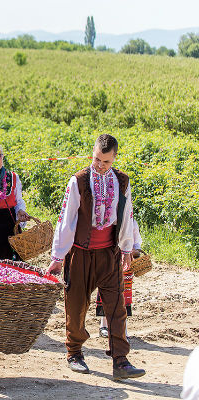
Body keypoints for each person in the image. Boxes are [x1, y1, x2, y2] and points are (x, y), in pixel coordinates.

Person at [47, 134, 145, 380]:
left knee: (116, 306)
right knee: (77, 304)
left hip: (109, 254)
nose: (99, 165)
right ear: (92, 153)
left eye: (105, 161)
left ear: (114, 159)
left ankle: (120, 360)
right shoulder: (79, 181)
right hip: (80, 253)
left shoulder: (122, 181)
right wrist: (58, 257)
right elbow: (67, 220)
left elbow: (126, 216)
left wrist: (127, 249)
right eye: (96, 159)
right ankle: (75, 353)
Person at [98, 219, 142, 338]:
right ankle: (104, 325)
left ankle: (122, 329)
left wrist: (134, 251)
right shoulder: (108, 219)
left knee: (123, 297)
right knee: (105, 293)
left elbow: (137, 243)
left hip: (125, 265)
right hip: (108, 261)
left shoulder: (132, 222)